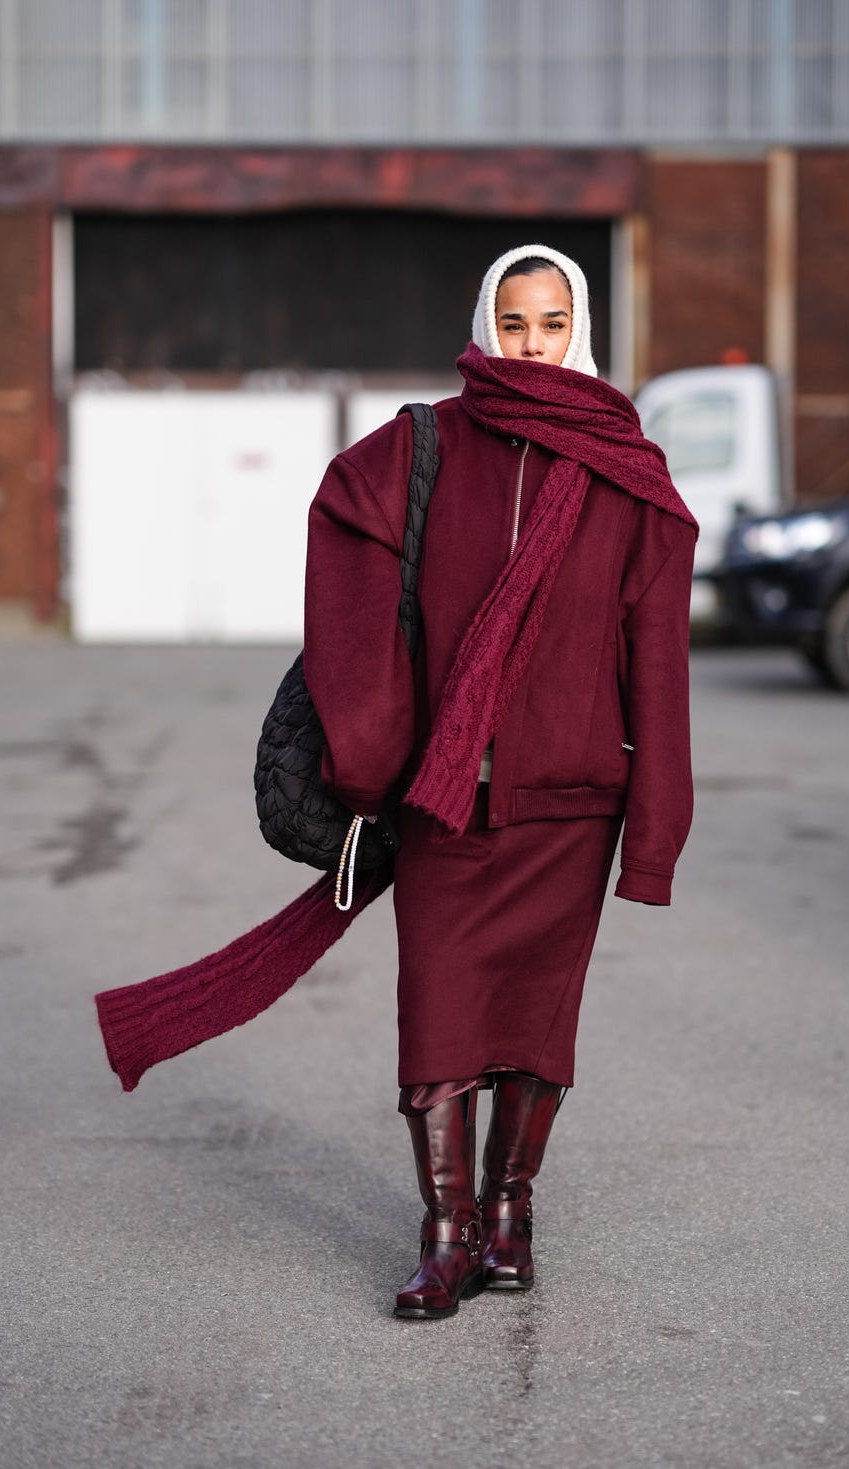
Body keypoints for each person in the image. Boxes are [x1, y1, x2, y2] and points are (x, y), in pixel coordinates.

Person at [301, 243, 697, 1319]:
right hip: (443, 794)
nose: (530, 345)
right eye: (513, 324)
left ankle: (509, 1220)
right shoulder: (429, 438)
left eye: (550, 325)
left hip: (571, 799)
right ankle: (445, 1235)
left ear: (580, 330)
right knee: (435, 1009)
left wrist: (655, 826)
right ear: (487, 323)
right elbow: (343, 521)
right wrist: (374, 731)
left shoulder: (630, 470)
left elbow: (655, 658)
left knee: (533, 1017)